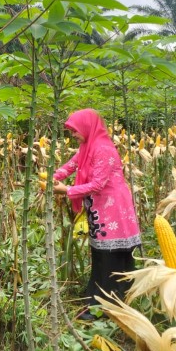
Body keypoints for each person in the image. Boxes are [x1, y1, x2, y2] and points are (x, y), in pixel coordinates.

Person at [52, 109, 141, 319]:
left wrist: (67, 190)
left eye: (74, 130)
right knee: (100, 257)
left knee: (112, 257)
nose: (73, 135)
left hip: (114, 209)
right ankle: (98, 303)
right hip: (98, 209)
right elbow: (70, 166)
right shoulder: (87, 147)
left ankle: (108, 306)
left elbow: (98, 184)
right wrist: (51, 177)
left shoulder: (103, 149)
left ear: (86, 126)